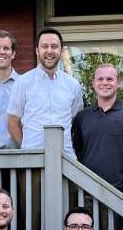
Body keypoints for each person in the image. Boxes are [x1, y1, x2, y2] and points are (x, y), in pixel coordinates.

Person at [7, 27, 83, 157]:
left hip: (65, 160)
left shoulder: (73, 85)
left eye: (54, 46)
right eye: (44, 46)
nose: (49, 51)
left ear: (61, 50)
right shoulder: (23, 82)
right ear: (37, 50)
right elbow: (12, 122)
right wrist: (28, 149)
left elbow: (74, 120)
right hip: (32, 162)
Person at [71, 63, 123, 188]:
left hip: (122, 191)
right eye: (100, 79)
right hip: (89, 190)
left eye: (110, 79)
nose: (105, 83)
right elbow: (78, 153)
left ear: (118, 83)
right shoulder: (82, 117)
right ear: (93, 84)